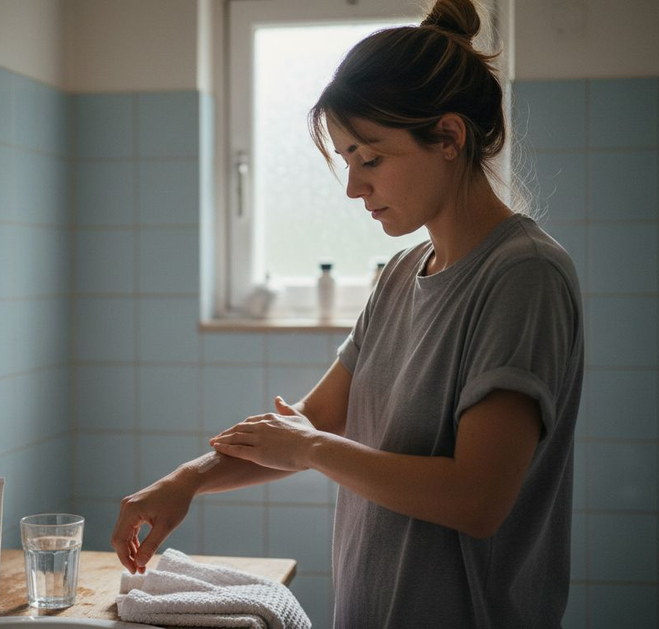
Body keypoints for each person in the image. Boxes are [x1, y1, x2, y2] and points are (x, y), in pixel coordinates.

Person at [111, 0, 584, 626]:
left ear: (448, 137)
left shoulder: (524, 275)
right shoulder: (400, 274)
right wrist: (188, 480)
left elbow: (477, 499)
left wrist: (312, 449)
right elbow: (308, 422)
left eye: (371, 159)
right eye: (347, 161)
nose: (354, 187)